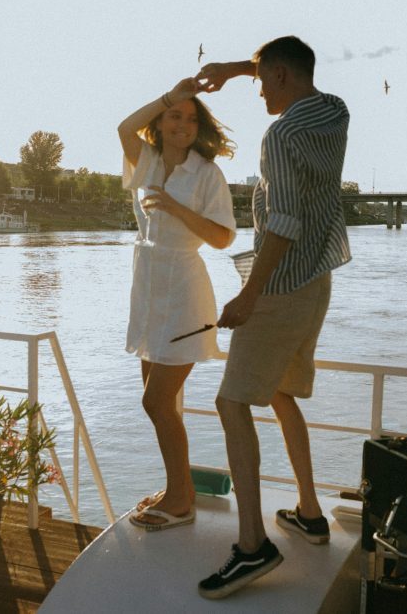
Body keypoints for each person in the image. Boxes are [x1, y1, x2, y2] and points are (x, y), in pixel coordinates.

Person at [194, 36, 351, 599]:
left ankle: (253, 546)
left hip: (280, 286)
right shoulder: (334, 111)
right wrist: (235, 68)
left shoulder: (281, 134)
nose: (257, 89)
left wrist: (248, 297)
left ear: (283, 76)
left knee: (231, 402)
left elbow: (281, 222)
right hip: (317, 280)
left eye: (262, 80)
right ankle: (309, 512)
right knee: (281, 393)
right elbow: (284, 62)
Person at [118, 76, 238, 530]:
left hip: (186, 291)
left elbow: (224, 237)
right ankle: (177, 489)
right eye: (174, 115)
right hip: (148, 289)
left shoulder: (206, 173)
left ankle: (181, 496)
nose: (182, 124)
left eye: (190, 118)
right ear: (161, 120)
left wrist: (174, 206)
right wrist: (170, 94)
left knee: (156, 402)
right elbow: (124, 129)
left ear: (199, 127)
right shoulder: (145, 159)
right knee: (160, 403)